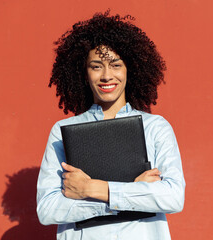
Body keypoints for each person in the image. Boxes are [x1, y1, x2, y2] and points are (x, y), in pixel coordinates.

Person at [36, 11, 185, 240]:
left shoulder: (156, 127)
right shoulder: (62, 132)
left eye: (115, 65)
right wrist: (130, 196)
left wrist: (90, 190)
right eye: (96, 66)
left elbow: (173, 197)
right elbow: (47, 210)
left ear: (129, 69)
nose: (107, 76)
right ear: (84, 74)